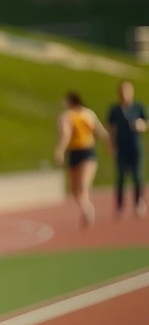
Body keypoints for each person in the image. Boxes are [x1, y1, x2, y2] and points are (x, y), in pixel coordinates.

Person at [54, 91, 112, 227]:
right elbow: (66, 134)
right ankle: (86, 206)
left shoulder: (86, 114)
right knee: (74, 190)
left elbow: (99, 131)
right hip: (73, 152)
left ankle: (87, 209)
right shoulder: (67, 116)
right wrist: (61, 150)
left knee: (83, 185)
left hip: (87, 151)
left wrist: (109, 144)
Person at [107, 80, 147, 218]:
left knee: (137, 175)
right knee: (121, 177)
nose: (125, 94)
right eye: (122, 91)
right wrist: (111, 145)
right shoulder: (115, 110)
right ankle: (119, 206)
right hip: (121, 146)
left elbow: (146, 123)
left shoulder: (138, 107)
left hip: (135, 146)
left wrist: (141, 125)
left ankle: (138, 202)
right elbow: (111, 129)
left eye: (127, 91)